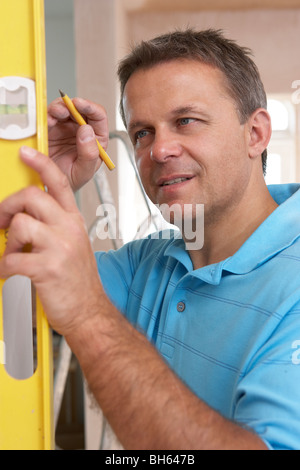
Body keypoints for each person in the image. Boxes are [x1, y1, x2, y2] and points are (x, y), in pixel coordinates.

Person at [0, 28, 299, 450]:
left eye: (185, 121)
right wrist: (39, 183)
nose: (158, 151)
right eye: (142, 132)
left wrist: (88, 316)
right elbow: (14, 288)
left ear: (256, 134)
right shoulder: (148, 263)